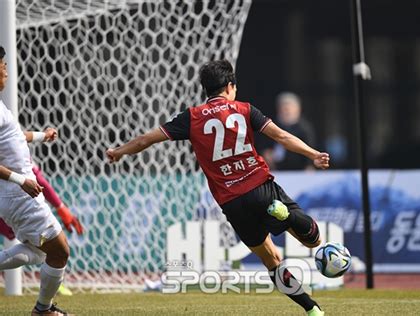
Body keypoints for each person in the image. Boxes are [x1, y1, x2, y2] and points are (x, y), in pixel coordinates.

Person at [106, 60, 330, 316]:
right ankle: (285, 215)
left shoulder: (191, 117)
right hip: (260, 187)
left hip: (231, 202)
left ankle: (312, 309)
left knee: (271, 262)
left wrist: (119, 152)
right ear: (230, 86)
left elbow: (147, 139)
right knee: (314, 240)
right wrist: (312, 154)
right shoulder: (244, 109)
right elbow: (281, 136)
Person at [0, 46, 71, 315]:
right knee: (60, 251)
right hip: (19, 193)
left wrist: (43, 135)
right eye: (1, 63)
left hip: (18, 193)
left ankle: (44, 310)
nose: (5, 68)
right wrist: (20, 180)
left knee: (41, 252)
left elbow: (15, 138)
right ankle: (43, 310)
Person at [0, 163, 83, 297]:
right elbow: (37, 177)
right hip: (14, 201)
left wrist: (39, 139)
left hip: (9, 202)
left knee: (42, 252)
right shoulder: (13, 146)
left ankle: (47, 294)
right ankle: (44, 305)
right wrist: (61, 207)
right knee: (56, 250)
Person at [262, 92, 316, 170]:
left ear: (297, 109)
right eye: (283, 109)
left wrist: (309, 165)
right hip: (276, 170)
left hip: (299, 170)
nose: (286, 112)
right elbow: (265, 146)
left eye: (289, 109)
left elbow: (310, 149)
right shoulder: (271, 125)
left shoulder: (304, 128)